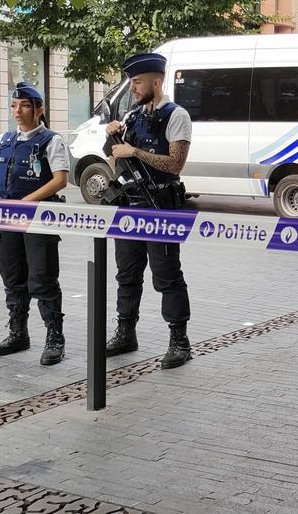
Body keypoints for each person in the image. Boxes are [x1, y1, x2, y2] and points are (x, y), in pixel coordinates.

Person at [104, 52, 194, 369]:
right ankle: (125, 333)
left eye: (137, 82)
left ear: (156, 82)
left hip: (160, 205)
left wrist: (135, 150)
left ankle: (179, 341)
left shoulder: (176, 115)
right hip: (129, 206)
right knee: (127, 274)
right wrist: (114, 140)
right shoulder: (132, 117)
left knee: (167, 276)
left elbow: (175, 164)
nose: (132, 88)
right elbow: (117, 162)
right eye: (131, 82)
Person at [0, 82, 69, 366]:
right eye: (14, 106)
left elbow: (60, 180)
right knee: (12, 278)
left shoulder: (51, 140)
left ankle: (54, 338)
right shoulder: (5, 140)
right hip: (7, 219)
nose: (17, 111)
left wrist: (26, 202)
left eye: (24, 106)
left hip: (38, 220)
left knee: (43, 278)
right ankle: (18, 333)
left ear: (39, 110)